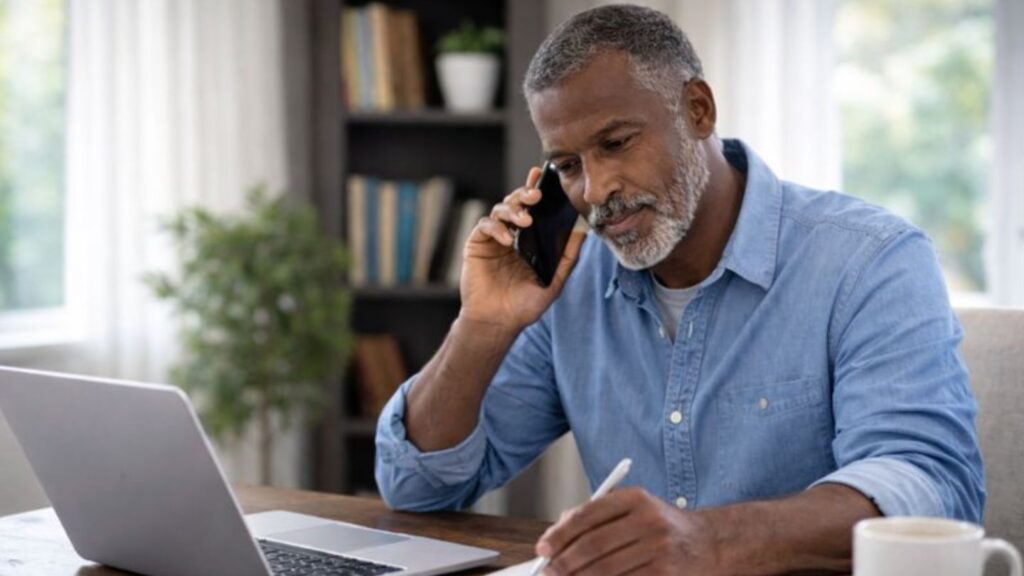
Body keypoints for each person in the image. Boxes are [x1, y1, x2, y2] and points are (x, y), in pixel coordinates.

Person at [374, 5, 984, 575]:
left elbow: (931, 491)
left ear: (698, 110)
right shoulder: (570, 286)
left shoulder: (870, 260)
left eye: (615, 143)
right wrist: (480, 327)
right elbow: (417, 486)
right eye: (567, 165)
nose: (596, 189)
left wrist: (706, 539)